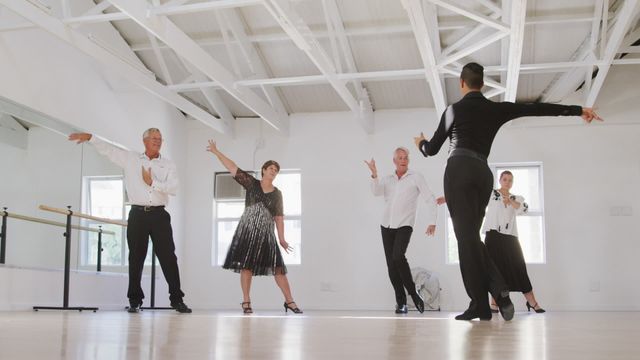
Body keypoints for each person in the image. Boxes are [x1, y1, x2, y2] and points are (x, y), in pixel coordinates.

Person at [413, 62, 601, 321]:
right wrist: (578, 110)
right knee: (471, 239)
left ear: (462, 83)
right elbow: (535, 109)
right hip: (482, 172)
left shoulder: (453, 110)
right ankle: (486, 301)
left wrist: (420, 143)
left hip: (458, 169)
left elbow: (431, 150)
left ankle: (490, 295)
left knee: (466, 240)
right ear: (482, 83)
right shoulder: (496, 109)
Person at [69, 129, 191, 313]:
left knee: (168, 258)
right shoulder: (130, 158)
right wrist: (91, 138)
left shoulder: (168, 164)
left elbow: (173, 188)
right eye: (154, 138)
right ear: (144, 141)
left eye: (160, 139)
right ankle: (135, 300)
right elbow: (108, 150)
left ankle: (177, 300)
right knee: (136, 258)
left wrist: (152, 183)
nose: (157, 141)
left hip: (159, 216)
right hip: (137, 215)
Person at [206, 140, 302, 314]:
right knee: (246, 267)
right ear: (264, 170)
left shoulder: (277, 193)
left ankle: (290, 301)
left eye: (276, 170)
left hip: (266, 234)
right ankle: (246, 302)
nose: (273, 171)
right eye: (271, 168)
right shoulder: (251, 183)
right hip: (247, 231)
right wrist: (216, 151)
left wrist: (281, 238)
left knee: (278, 268)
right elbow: (233, 167)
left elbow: (279, 217)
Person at [364, 147, 444, 314]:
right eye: (400, 157)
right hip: (386, 225)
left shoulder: (416, 177)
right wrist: (374, 174)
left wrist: (432, 221)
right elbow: (376, 191)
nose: (403, 160)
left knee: (398, 256)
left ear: (408, 160)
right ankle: (401, 303)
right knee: (392, 267)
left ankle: (413, 293)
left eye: (405, 157)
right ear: (394, 161)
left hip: (405, 224)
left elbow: (429, 198)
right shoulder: (388, 179)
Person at [484, 171, 545, 313]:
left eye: (510, 180)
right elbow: (474, 199)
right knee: (495, 270)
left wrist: (510, 201)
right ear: (500, 180)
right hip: (492, 236)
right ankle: (494, 304)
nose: (507, 182)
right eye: (505, 179)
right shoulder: (491, 194)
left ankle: (532, 302)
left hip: (510, 237)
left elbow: (524, 209)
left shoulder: (516, 198)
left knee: (519, 268)